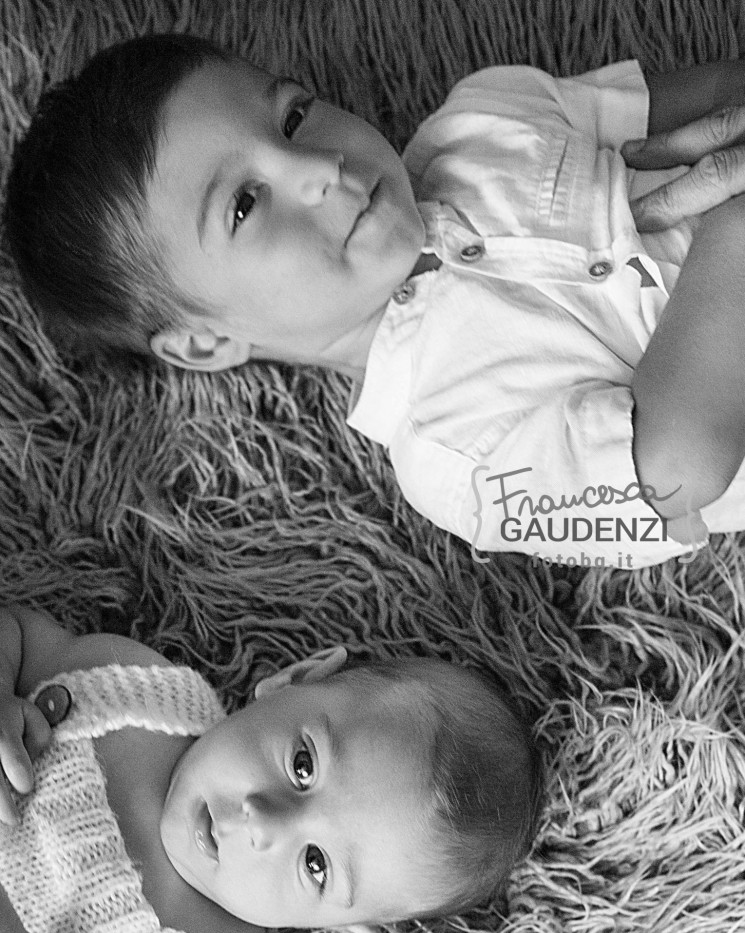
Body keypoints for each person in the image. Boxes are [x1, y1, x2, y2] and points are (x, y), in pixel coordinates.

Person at [7, 36, 745, 570]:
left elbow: (719, 94)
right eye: (243, 205)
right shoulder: (453, 458)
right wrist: (732, 220)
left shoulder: (487, 112)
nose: (318, 167)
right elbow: (679, 472)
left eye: (292, 118)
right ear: (205, 343)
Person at [0, 604, 537, 933]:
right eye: (303, 766)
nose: (262, 822)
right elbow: (18, 635)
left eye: (316, 865)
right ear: (293, 680)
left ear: (341, 925)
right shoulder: (140, 687)